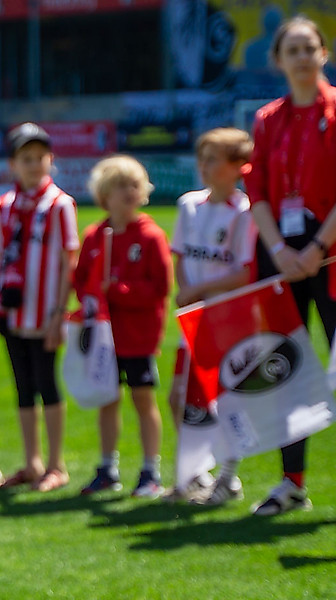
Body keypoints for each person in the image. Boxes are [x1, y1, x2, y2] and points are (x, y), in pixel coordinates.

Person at [242, 16, 336, 516]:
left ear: (323, 54)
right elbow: (256, 188)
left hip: (331, 256)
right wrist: (279, 248)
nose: (301, 57)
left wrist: (318, 246)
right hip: (281, 261)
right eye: (292, 50)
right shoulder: (267, 119)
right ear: (278, 60)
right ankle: (292, 482)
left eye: (309, 48)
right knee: (288, 369)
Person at [0, 123, 78, 492]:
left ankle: (56, 464)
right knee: (23, 386)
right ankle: (33, 462)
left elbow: (68, 262)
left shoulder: (60, 205)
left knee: (47, 383)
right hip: (12, 312)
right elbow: (1, 261)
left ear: (51, 160)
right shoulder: (4, 206)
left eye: (40, 157)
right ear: (13, 164)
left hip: (45, 312)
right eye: (26, 158)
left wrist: (59, 314)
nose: (34, 165)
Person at [165, 128, 257, 505]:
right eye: (202, 158)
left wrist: (199, 290)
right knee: (178, 397)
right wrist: (188, 291)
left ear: (238, 167)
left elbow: (245, 272)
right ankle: (196, 472)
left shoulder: (245, 212)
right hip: (193, 318)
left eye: (214, 159)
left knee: (227, 401)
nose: (204, 166)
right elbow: (181, 256)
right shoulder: (189, 204)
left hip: (227, 320)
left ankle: (228, 478)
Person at [75, 155, 171, 499]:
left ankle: (150, 470)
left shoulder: (151, 236)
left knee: (143, 400)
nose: (129, 191)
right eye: (120, 186)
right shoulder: (95, 236)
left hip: (139, 337)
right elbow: (81, 279)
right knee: (108, 400)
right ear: (104, 195)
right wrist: (92, 298)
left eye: (134, 185)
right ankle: (107, 468)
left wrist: (118, 290)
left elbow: (160, 287)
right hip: (105, 339)